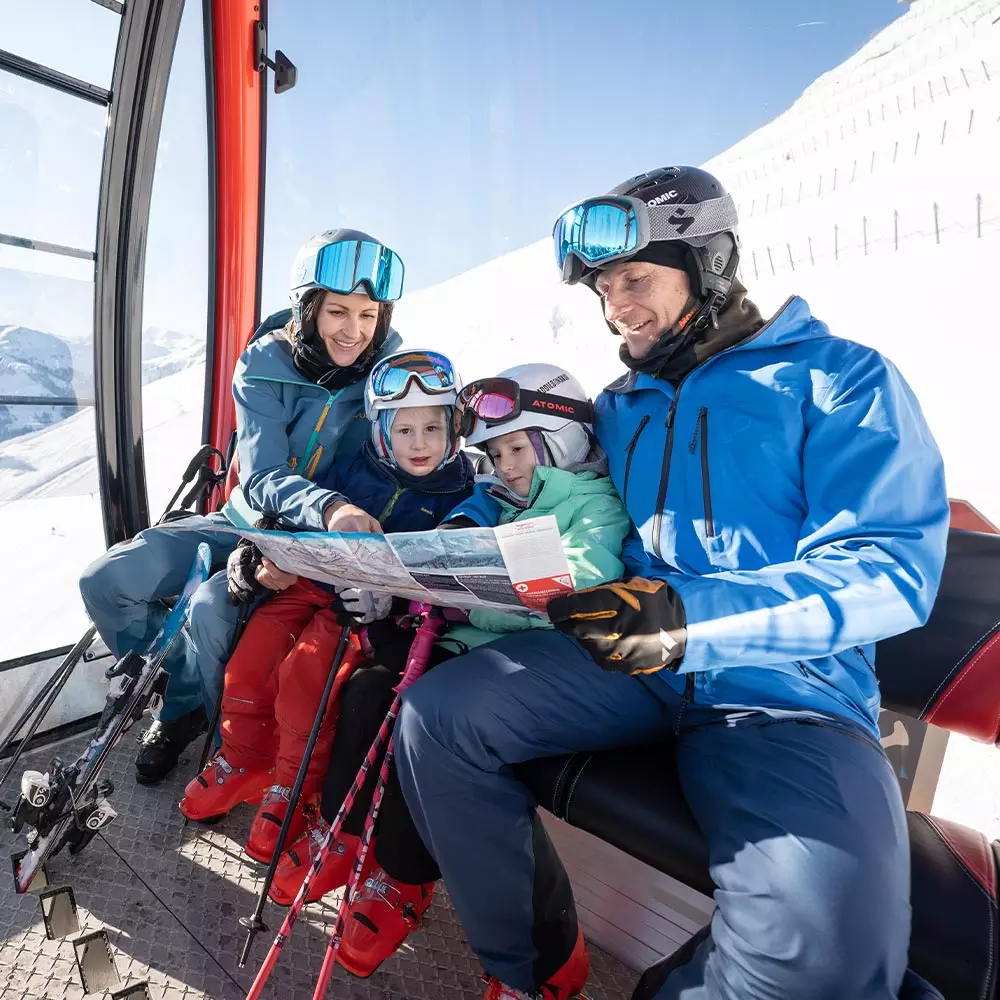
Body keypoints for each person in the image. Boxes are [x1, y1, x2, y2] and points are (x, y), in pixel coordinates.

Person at [392, 166, 950, 1000]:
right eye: (606, 289)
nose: (618, 305)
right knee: (439, 717)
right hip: (633, 669)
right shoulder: (622, 405)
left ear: (709, 263)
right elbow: (530, 485)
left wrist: (691, 618)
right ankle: (532, 968)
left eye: (635, 280)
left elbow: (888, 569)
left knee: (825, 955)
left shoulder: (838, 380)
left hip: (784, 696)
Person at [268, 363, 631, 982]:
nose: (508, 465)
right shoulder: (497, 497)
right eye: (493, 452)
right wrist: (398, 586)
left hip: (529, 656)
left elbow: (574, 582)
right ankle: (347, 830)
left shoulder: (591, 507)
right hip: (462, 641)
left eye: (519, 447)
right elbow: (459, 526)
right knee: (369, 690)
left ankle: (404, 875)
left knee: (422, 721)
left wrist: (470, 599)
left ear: (562, 438)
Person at [78, 230, 405, 784]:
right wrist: (320, 510)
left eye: (368, 315)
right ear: (309, 308)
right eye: (338, 311)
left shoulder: (388, 375)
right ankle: (178, 695)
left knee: (211, 608)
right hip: (246, 520)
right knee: (107, 579)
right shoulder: (264, 365)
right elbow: (259, 476)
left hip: (322, 543)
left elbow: (401, 457)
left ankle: (208, 728)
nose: (354, 331)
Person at [178, 350, 475, 864]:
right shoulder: (353, 469)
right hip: (312, 580)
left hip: (358, 610)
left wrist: (392, 602)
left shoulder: (458, 492)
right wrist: (269, 550)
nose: (420, 443)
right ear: (381, 432)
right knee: (251, 658)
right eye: (404, 431)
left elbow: (444, 575)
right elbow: (301, 515)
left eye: (433, 427)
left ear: (454, 428)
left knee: (303, 677)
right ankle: (244, 758)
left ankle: (293, 789)